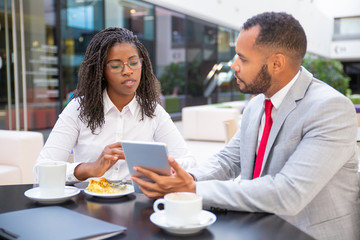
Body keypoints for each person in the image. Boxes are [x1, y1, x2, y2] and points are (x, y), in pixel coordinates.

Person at [132, 12, 360, 240]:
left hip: (309, 233)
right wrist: (187, 178)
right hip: (258, 226)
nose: (233, 65)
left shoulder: (330, 108)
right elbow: (229, 160)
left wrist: (192, 189)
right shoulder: (258, 104)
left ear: (276, 63)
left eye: (243, 58)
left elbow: (288, 192)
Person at [35, 27, 195, 183]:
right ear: (101, 71)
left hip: (138, 202)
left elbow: (190, 163)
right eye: (116, 65)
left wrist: (157, 166)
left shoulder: (153, 111)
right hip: (89, 204)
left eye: (133, 62)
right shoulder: (78, 109)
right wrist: (89, 168)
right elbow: (41, 169)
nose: (127, 71)